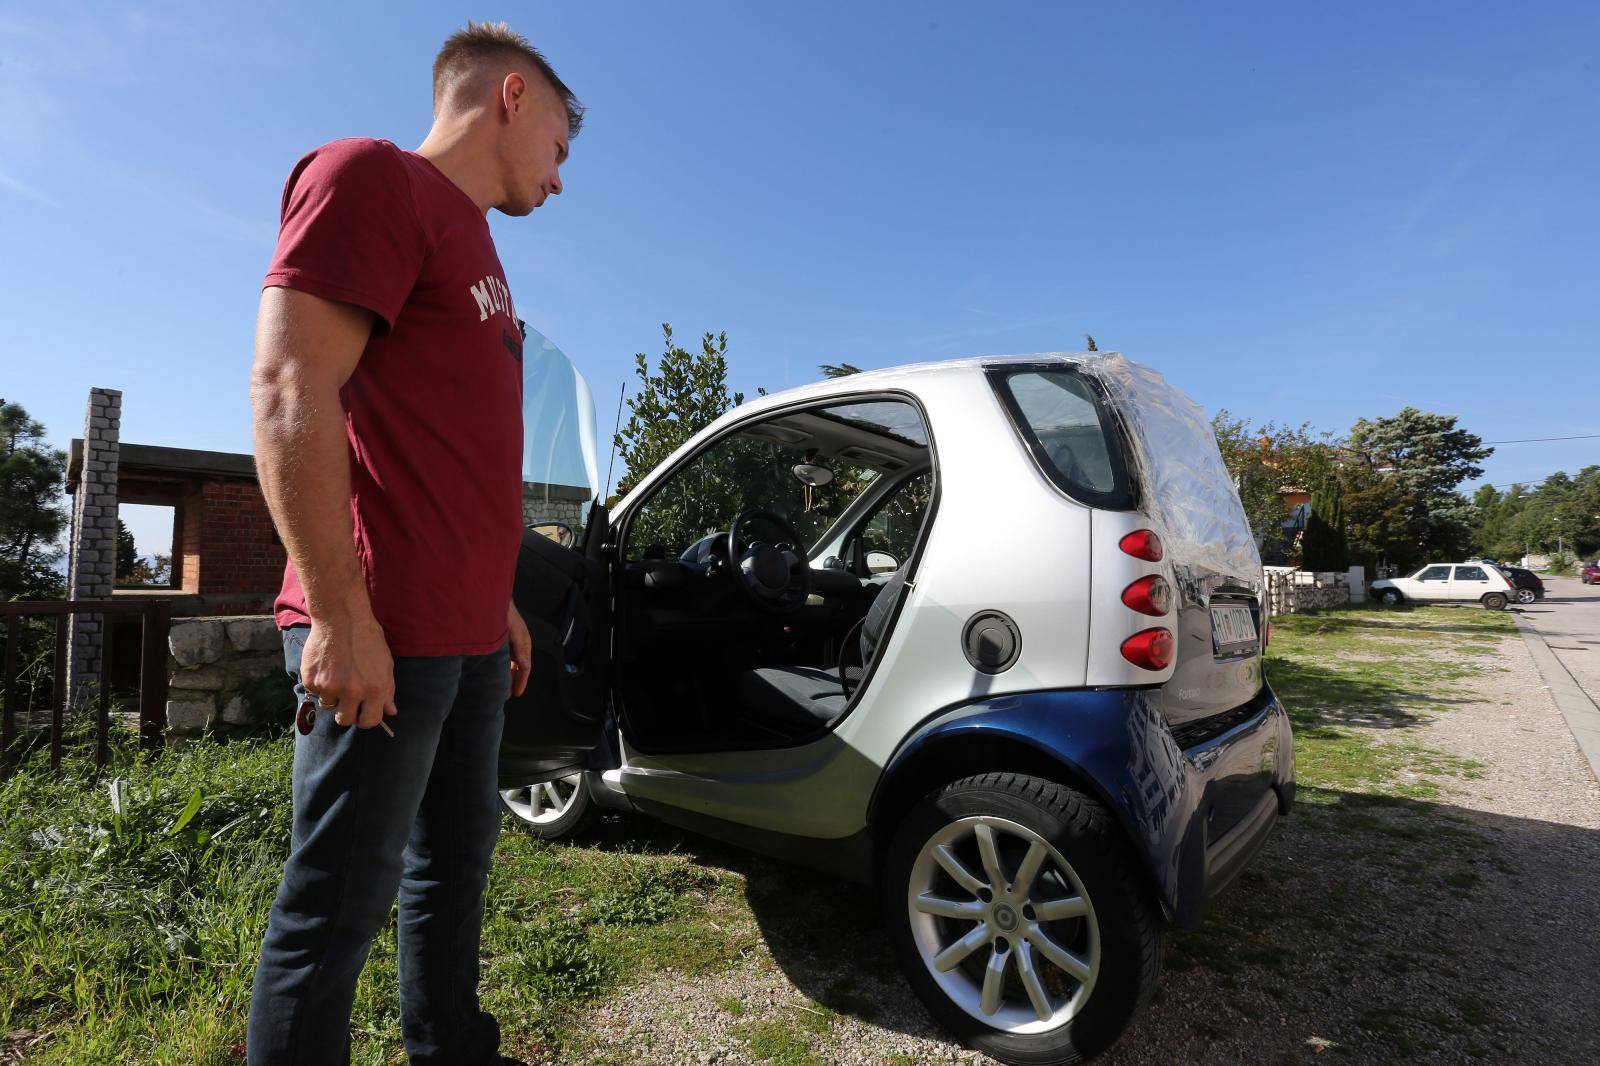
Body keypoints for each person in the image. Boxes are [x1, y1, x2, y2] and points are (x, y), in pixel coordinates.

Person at [245, 22, 582, 1065]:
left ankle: (453, 1048)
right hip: (381, 633)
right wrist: (343, 619)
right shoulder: (370, 179)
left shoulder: (476, 247)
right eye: (562, 149)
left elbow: (445, 453)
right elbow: (290, 387)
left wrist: (503, 603)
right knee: (335, 908)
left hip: (468, 635)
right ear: (511, 98)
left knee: (453, 868)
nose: (560, 181)